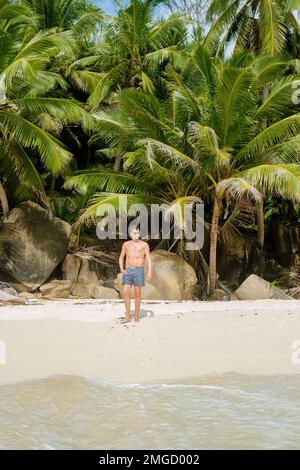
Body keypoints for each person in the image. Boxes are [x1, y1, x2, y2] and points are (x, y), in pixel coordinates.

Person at [118, 226, 152, 323]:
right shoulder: (126, 244)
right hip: (128, 270)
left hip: (139, 270)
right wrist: (122, 268)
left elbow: (149, 258)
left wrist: (149, 272)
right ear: (130, 234)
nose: (135, 234)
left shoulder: (144, 245)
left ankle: (136, 316)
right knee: (125, 292)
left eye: (137, 233)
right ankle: (128, 315)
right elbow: (121, 257)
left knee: (137, 294)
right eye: (133, 233)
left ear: (140, 233)